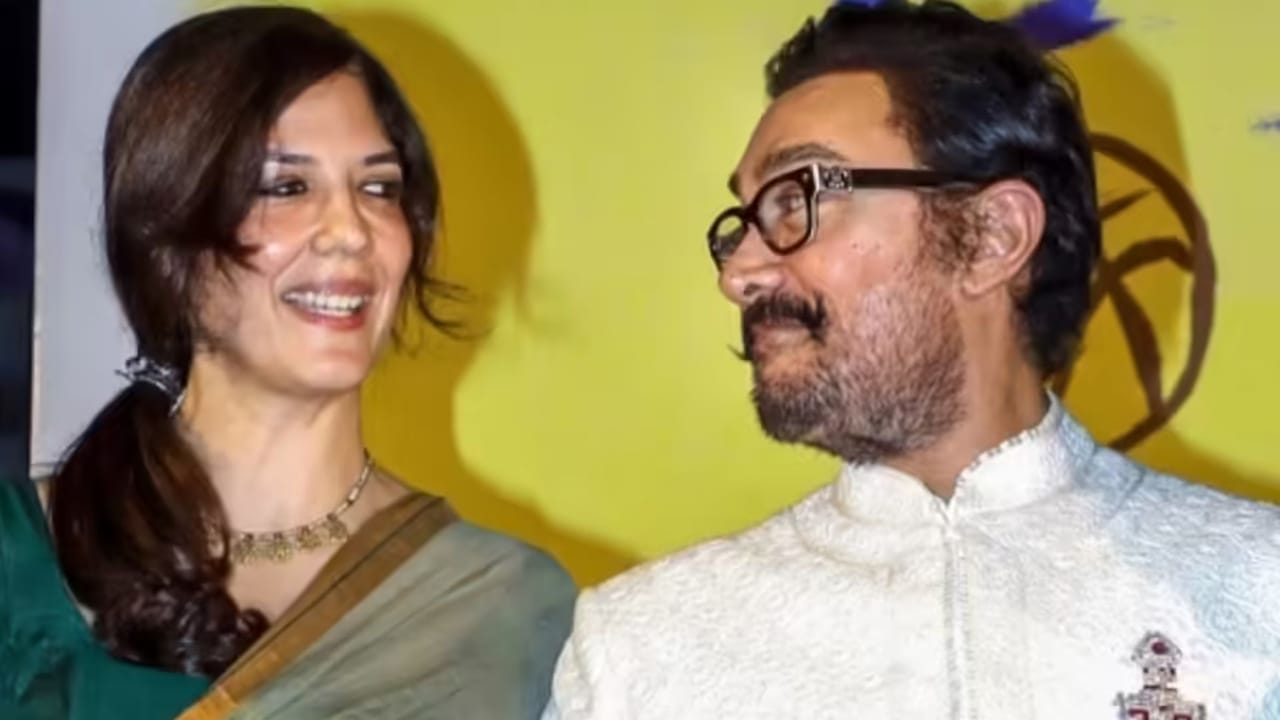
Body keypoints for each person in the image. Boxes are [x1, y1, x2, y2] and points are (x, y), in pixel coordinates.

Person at [544, 1, 1280, 718]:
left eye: (796, 199)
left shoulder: (1260, 590)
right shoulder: (640, 648)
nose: (739, 273)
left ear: (992, 236)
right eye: (742, 222)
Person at [0, 7, 574, 719]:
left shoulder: (507, 611)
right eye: (286, 187)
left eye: (379, 188)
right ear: (169, 242)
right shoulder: (21, 564)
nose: (351, 231)